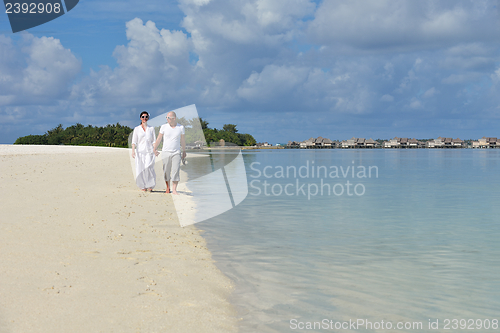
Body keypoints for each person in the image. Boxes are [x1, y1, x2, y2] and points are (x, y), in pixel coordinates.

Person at [154, 111, 186, 195]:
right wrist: (154, 149)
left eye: (168, 118)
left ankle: (174, 189)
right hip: (165, 152)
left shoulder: (181, 127)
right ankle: (168, 188)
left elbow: (182, 140)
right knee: (166, 171)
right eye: (166, 117)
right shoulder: (163, 127)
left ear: (174, 118)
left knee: (176, 171)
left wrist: (184, 151)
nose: (167, 119)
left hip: (176, 152)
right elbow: (159, 138)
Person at [131, 111, 156, 191]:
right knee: (140, 168)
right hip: (140, 151)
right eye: (143, 117)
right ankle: (143, 186)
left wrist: (155, 149)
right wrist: (133, 151)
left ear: (148, 118)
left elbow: (154, 141)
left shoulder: (151, 128)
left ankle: (150, 185)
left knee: (148, 167)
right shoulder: (137, 129)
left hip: (149, 151)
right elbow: (134, 141)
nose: (144, 118)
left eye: (146, 117)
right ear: (140, 118)